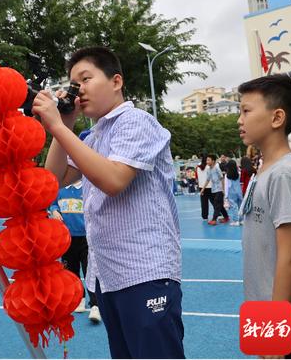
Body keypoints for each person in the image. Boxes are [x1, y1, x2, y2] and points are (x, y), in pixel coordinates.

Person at [32, 46, 183, 359]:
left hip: (145, 273)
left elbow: (114, 179)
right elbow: (52, 181)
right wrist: (65, 125)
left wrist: (58, 127)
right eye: (73, 83)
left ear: (116, 81)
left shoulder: (136, 122)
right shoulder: (92, 136)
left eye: (85, 79)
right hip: (109, 276)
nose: (78, 89)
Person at [237, 74, 291, 339]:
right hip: (261, 306)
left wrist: (275, 327)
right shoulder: (265, 170)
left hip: (279, 316)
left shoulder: (283, 174)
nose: (240, 119)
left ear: (277, 118)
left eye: (246, 111)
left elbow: (290, 257)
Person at [49, 179, 101, 323]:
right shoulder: (61, 189)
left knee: (89, 271)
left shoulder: (87, 187)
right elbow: (52, 204)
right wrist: (54, 211)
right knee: (71, 272)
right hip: (66, 239)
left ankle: (95, 305)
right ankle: (80, 299)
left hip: (86, 238)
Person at [202, 154, 228, 225]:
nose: (207, 161)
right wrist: (203, 189)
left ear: (213, 161)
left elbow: (221, 178)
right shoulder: (208, 169)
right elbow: (207, 180)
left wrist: (223, 189)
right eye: (206, 160)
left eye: (208, 160)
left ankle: (214, 219)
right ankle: (226, 217)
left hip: (219, 189)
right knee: (220, 205)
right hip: (214, 190)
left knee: (216, 204)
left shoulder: (217, 168)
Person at [223, 159, 242, 226]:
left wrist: (226, 195)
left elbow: (227, 185)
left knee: (234, 206)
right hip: (239, 191)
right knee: (240, 205)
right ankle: (241, 220)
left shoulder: (227, 176)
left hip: (231, 192)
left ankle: (236, 220)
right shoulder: (239, 174)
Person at [196, 155, 213, 221]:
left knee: (203, 202)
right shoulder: (209, 166)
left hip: (201, 186)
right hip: (209, 186)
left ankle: (204, 216)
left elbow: (197, 177)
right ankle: (219, 213)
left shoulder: (198, 166)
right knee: (214, 201)